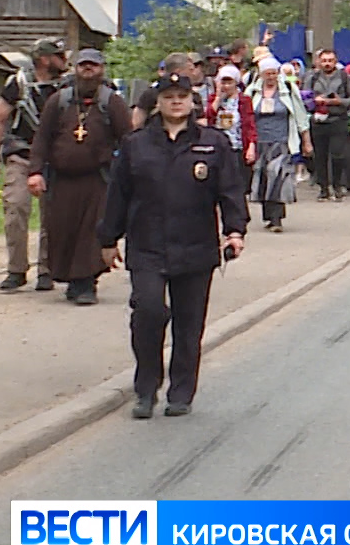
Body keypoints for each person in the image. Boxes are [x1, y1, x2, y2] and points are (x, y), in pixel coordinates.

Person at [97, 67, 247, 418]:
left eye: (182, 98)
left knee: (189, 322)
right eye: (168, 98)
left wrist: (235, 230)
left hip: (195, 246)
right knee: (148, 312)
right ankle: (146, 389)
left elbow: (230, 191)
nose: (176, 103)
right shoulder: (136, 145)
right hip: (147, 244)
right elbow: (117, 195)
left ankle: (181, 391)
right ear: (157, 103)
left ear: (192, 102)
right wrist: (107, 239)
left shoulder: (214, 143)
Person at [25, 48, 132, 305]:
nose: (88, 70)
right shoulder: (58, 101)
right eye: (83, 65)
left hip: (98, 180)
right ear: (75, 68)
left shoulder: (112, 102)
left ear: (101, 69)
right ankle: (73, 279)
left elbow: (128, 140)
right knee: (62, 230)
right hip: (61, 180)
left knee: (92, 231)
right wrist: (35, 171)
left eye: (93, 66)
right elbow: (42, 139)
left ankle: (87, 284)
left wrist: (128, 173)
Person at [0, 37, 67, 293]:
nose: (65, 61)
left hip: (56, 159)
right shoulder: (18, 83)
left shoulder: (68, 87)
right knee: (15, 207)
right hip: (21, 155)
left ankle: (47, 269)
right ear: (45, 59)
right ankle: (16, 269)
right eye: (60, 56)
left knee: (53, 215)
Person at [249, 58, 311, 233]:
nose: (271, 77)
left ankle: (277, 218)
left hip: (282, 141)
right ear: (261, 74)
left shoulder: (288, 90)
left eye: (274, 73)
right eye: (267, 73)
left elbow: (301, 116)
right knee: (263, 178)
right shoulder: (252, 92)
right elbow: (246, 117)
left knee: (277, 176)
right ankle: (268, 215)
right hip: (259, 141)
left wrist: (306, 141)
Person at [304, 50, 350, 201]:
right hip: (319, 121)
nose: (327, 63)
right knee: (319, 156)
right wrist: (316, 101)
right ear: (319, 62)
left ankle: (337, 185)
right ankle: (323, 188)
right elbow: (305, 97)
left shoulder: (344, 77)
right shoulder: (312, 77)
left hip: (338, 119)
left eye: (330, 60)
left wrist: (339, 101)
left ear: (335, 61)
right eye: (324, 60)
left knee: (337, 155)